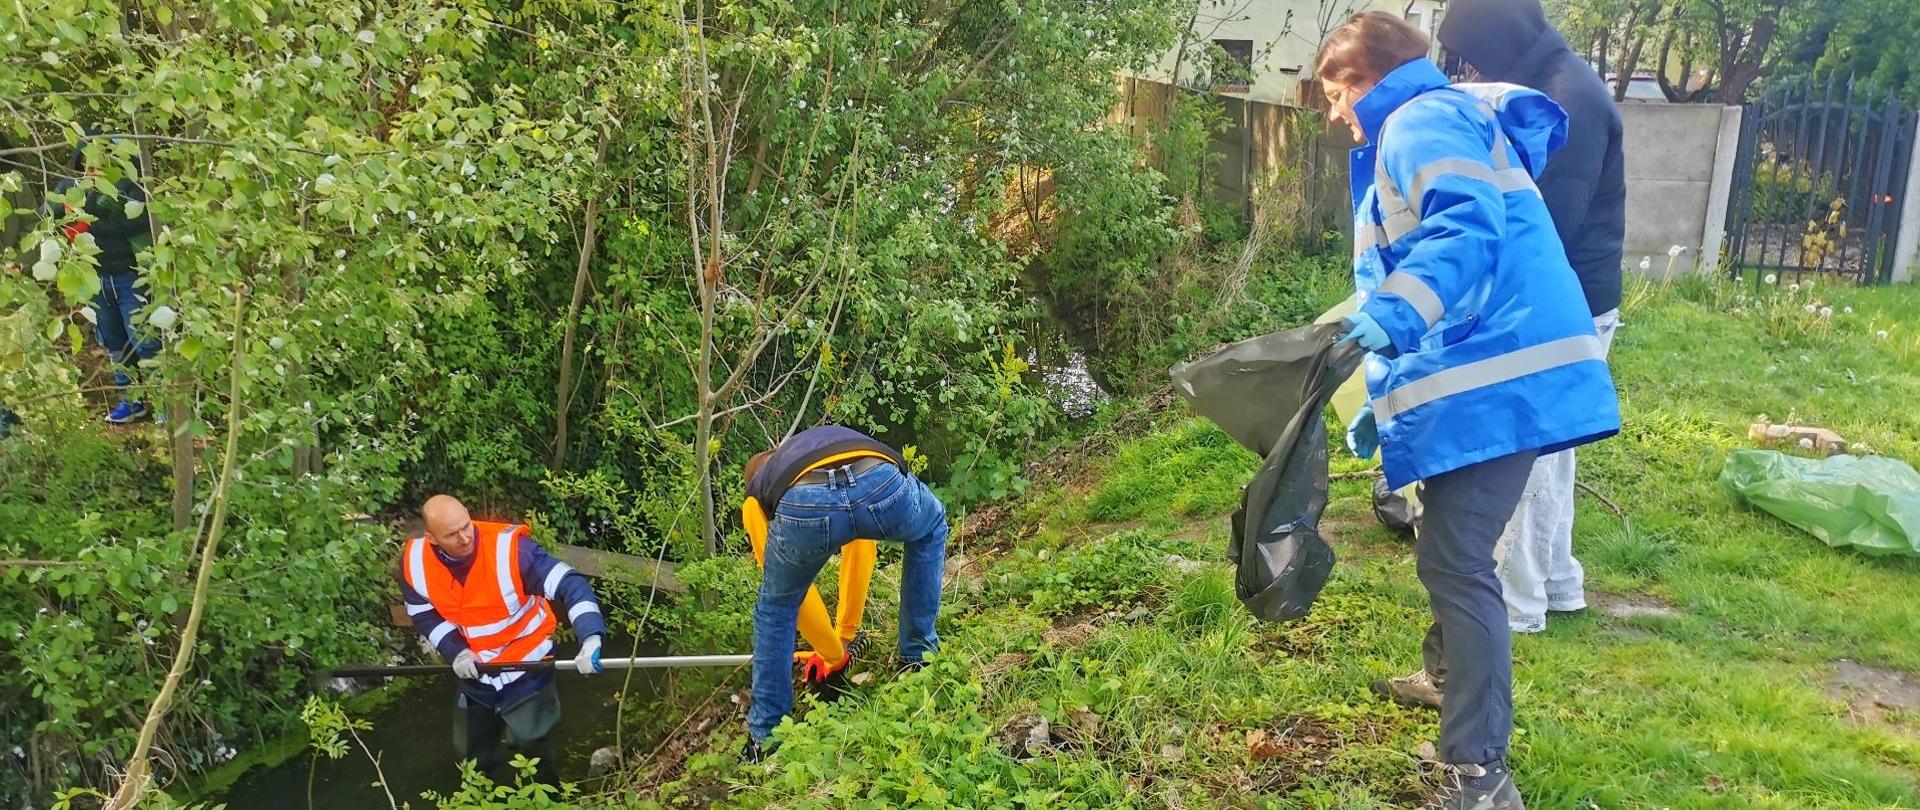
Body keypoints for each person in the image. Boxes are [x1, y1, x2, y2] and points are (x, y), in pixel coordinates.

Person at [1317, 12, 1621, 808]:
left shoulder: (1418, 119)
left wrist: (1394, 320)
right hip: (1488, 376)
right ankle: (1450, 693)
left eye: (1335, 90)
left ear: (1368, 76)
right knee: (1446, 550)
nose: (1332, 111)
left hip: (1504, 381)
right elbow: (1417, 261)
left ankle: (1478, 774)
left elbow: (1464, 228)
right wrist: (1385, 393)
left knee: (1456, 561)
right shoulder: (1429, 119)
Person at [1439, 0, 1627, 638]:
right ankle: (1557, 582)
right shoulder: (1554, 78)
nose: (1468, 69)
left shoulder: (1565, 97)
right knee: (1552, 454)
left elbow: (1548, 225)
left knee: (1521, 449)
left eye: (1472, 54)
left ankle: (1516, 604)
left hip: (1565, 301)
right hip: (1579, 295)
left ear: (1497, 40)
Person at [738, 425, 948, 760]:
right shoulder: (822, 444)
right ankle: (918, 656)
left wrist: (833, 655)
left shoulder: (757, 492)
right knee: (930, 526)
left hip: (804, 506)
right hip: (877, 479)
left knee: (775, 608)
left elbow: (792, 598)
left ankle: (766, 738)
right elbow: (860, 542)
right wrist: (843, 635)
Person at [397, 495, 607, 785]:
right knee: (472, 758)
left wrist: (590, 637)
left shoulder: (512, 552)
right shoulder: (415, 563)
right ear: (432, 538)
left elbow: (571, 585)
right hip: (476, 672)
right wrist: (455, 652)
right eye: (452, 534)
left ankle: (549, 801)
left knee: (533, 750)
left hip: (527, 666)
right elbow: (424, 615)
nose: (464, 538)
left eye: (466, 526)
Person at [48, 137, 159, 424]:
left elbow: (132, 223)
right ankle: (132, 402)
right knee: (113, 341)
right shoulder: (70, 190)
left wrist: (90, 216)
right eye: (89, 161)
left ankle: (167, 404)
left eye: (101, 161)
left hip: (130, 277)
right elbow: (50, 218)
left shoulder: (128, 190)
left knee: (145, 341)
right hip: (95, 279)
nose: (93, 167)